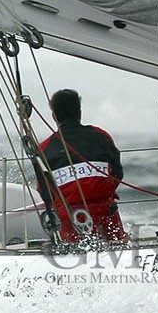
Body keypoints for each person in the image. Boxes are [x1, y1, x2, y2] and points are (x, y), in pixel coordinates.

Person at [33, 89, 126, 245]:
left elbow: (45, 192)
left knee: (74, 259)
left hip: (69, 217)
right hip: (105, 211)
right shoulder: (101, 136)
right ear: (79, 112)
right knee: (118, 253)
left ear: (54, 116)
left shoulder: (44, 148)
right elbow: (117, 173)